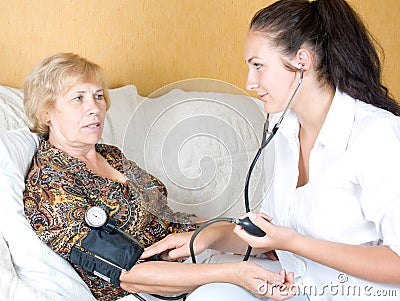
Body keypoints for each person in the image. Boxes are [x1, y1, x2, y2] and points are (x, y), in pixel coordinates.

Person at [142, 0, 400, 300]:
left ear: (302, 62)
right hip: (297, 291)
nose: (250, 82)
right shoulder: (283, 129)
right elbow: (271, 235)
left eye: (258, 65)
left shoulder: (377, 135)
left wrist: (293, 242)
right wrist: (204, 238)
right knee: (210, 295)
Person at [22, 52, 295, 301]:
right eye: (78, 98)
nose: (94, 108)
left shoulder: (111, 156)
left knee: (297, 273)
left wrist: (252, 243)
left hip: (193, 263)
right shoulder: (51, 183)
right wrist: (232, 272)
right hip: (151, 291)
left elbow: (173, 222)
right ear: (46, 111)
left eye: (98, 96)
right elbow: (128, 274)